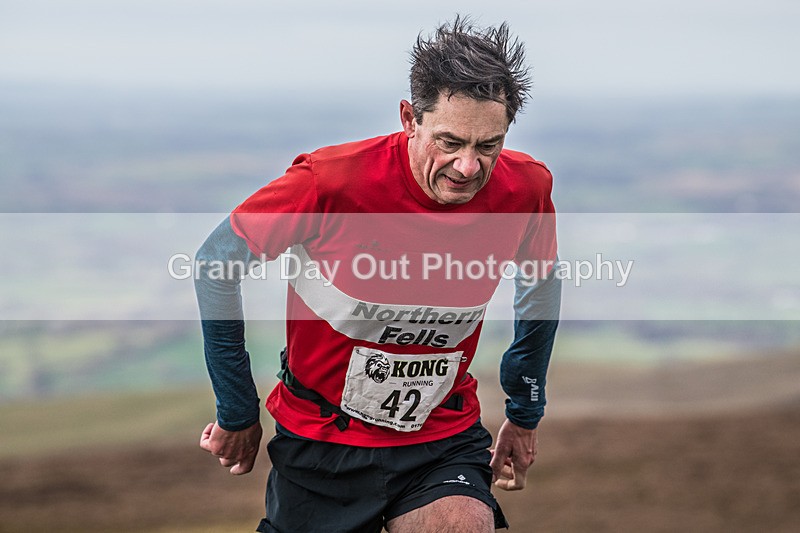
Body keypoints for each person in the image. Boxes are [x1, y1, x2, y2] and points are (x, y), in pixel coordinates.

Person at [195, 16, 561, 532]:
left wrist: (524, 413)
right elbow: (215, 264)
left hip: (441, 435)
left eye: (488, 146)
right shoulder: (330, 182)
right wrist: (236, 409)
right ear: (410, 118)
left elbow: (540, 289)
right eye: (449, 142)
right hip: (323, 439)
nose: (467, 167)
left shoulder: (525, 189)